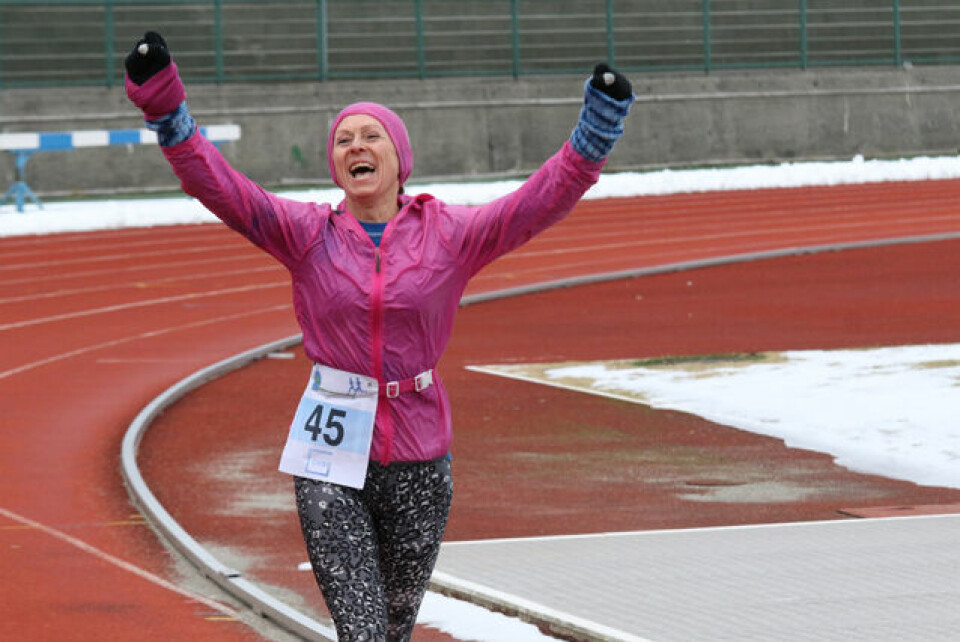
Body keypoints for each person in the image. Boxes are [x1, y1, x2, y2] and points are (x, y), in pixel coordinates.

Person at [124, 30, 633, 642]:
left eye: (371, 136)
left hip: (420, 458)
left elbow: (535, 204)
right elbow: (223, 189)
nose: (356, 146)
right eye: (344, 140)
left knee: (391, 630)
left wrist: (595, 133)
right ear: (336, 165)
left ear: (398, 158)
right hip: (330, 460)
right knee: (362, 631)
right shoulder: (306, 234)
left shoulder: (450, 235)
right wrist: (167, 111)